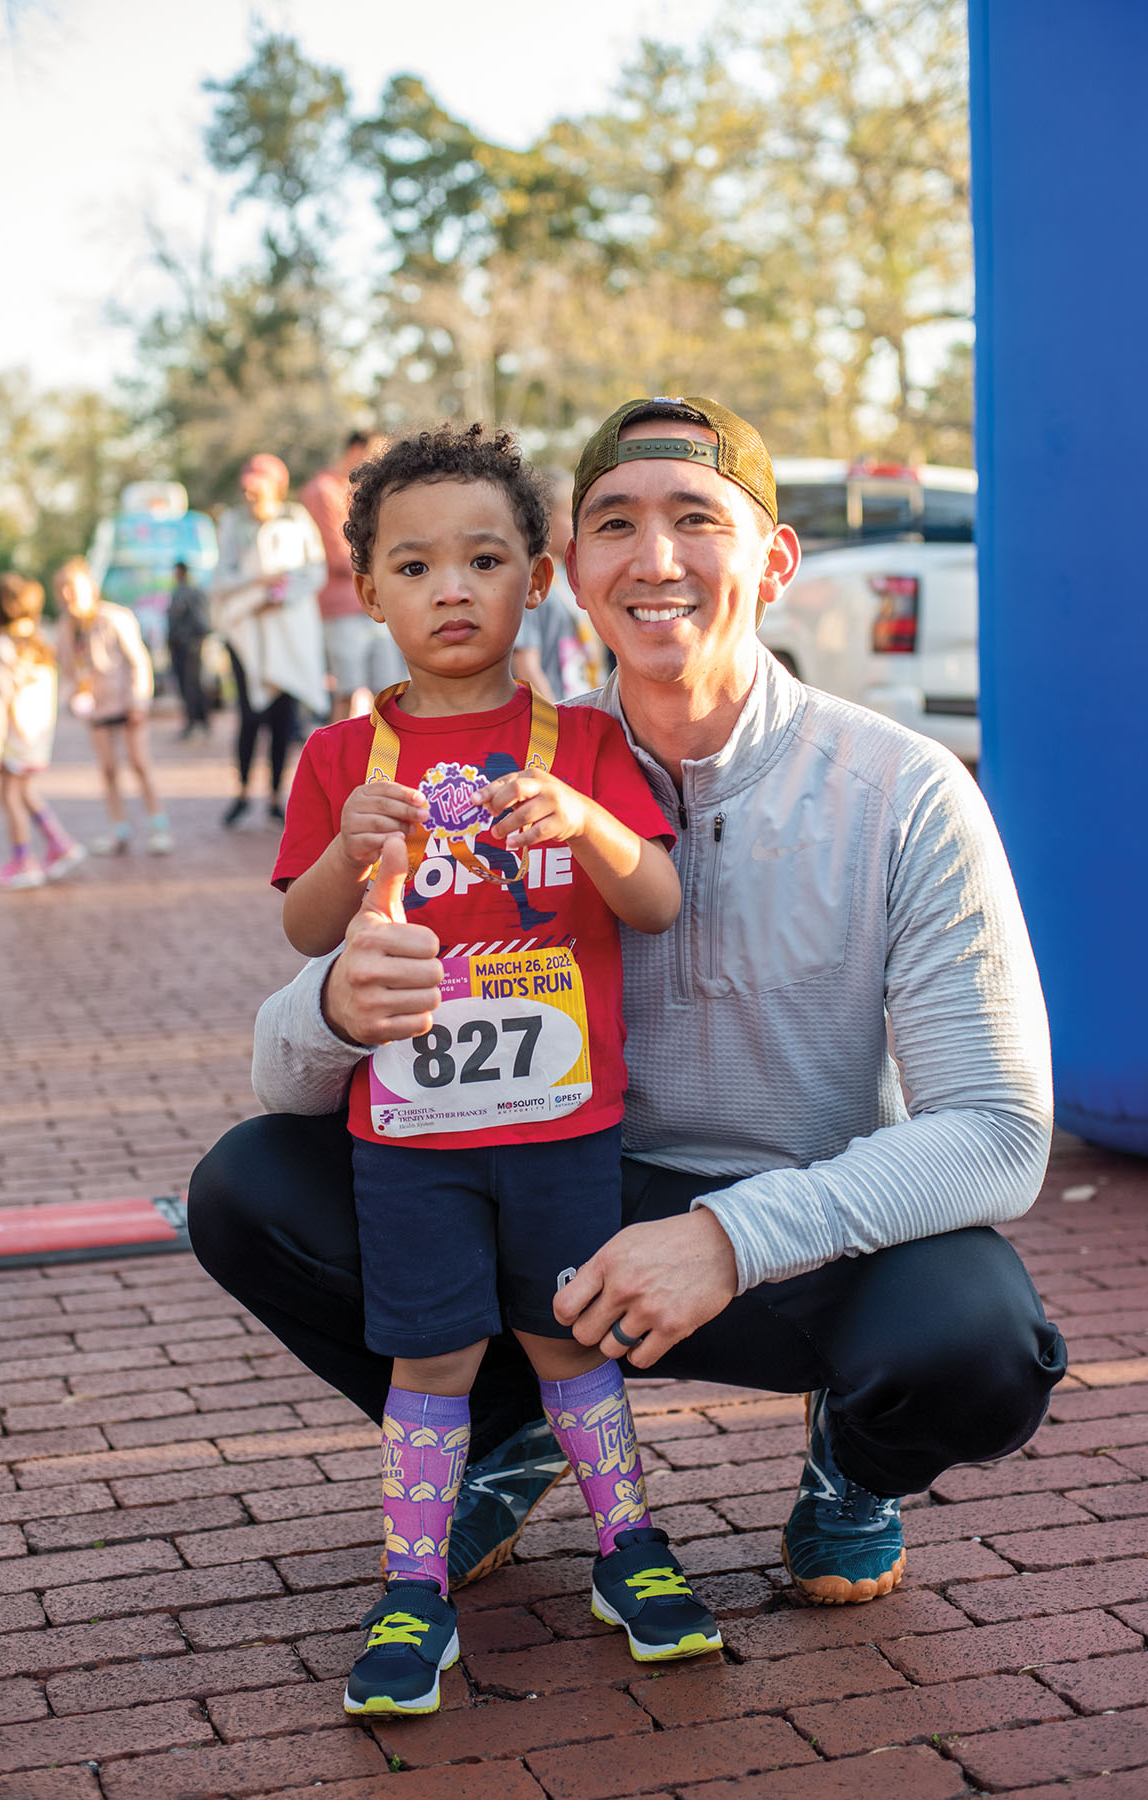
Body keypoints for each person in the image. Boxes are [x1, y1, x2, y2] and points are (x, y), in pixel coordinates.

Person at [189, 395, 1065, 1662]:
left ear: (770, 562)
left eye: (695, 520)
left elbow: (995, 1133)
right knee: (248, 1185)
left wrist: (727, 1235)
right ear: (577, 579)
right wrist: (332, 1005)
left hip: (797, 1226)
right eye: (617, 525)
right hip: (550, 1194)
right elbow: (281, 1065)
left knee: (977, 1341)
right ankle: (511, 1422)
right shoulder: (472, 765)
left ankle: (851, 1469)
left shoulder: (905, 792)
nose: (655, 560)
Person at [275, 422, 718, 1716]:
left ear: (541, 574)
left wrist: (585, 825)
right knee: (433, 1353)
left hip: (565, 1122)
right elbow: (304, 935)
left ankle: (627, 1546)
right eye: (413, 567)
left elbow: (657, 901)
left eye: (483, 559)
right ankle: (414, 1582)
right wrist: (346, 855)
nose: (451, 588)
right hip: (409, 1137)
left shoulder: (580, 743)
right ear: (369, 590)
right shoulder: (339, 759)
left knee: (571, 1337)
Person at [209, 453, 328, 828]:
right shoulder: (232, 523)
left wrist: (280, 594)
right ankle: (243, 792)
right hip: (248, 635)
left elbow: (314, 570)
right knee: (249, 716)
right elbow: (221, 579)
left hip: (288, 631)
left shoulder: (295, 519)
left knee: (284, 718)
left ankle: (277, 796)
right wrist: (255, 588)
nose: (250, 497)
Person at [54, 558, 173, 855]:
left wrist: (138, 702)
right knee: (108, 769)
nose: (69, 597)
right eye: (64, 591)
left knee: (139, 764)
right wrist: (72, 698)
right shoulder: (66, 629)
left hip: (126, 705)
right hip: (96, 709)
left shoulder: (114, 617)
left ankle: (159, 827)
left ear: (89, 589)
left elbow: (138, 661)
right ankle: (118, 829)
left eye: (74, 589)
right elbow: (68, 672)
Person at [0, 572, 85, 889]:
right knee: (23, 793)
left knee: (9, 796)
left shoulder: (2, 647)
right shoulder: (39, 642)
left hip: (12, 740)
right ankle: (59, 844)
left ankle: (23, 860)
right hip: (35, 739)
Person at [301, 429, 407, 722]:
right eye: (376, 455)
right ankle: (336, 765)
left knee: (389, 694)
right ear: (355, 451)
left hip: (377, 604)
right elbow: (336, 556)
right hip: (343, 608)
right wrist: (391, 567)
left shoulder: (369, 492)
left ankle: (387, 765)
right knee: (346, 692)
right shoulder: (322, 490)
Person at [513, 470, 609, 701]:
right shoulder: (530, 583)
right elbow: (526, 666)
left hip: (583, 707)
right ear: (543, 518)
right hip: (555, 716)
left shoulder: (566, 578)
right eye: (570, 514)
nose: (578, 524)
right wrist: (555, 721)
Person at [166, 561, 210, 738]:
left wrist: (192, 640)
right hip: (180, 646)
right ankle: (194, 721)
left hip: (189, 646)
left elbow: (201, 622)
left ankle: (198, 721)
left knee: (192, 685)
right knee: (187, 686)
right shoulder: (179, 592)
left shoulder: (191, 592)